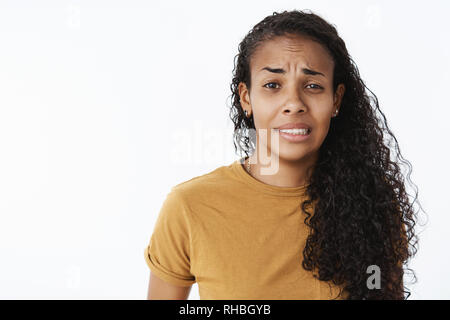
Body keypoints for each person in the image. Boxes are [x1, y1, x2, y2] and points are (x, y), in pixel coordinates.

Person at [145, 9, 421, 300]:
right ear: (246, 98)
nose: (294, 104)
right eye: (272, 85)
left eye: (313, 86)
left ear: (336, 100)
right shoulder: (189, 207)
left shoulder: (372, 205)